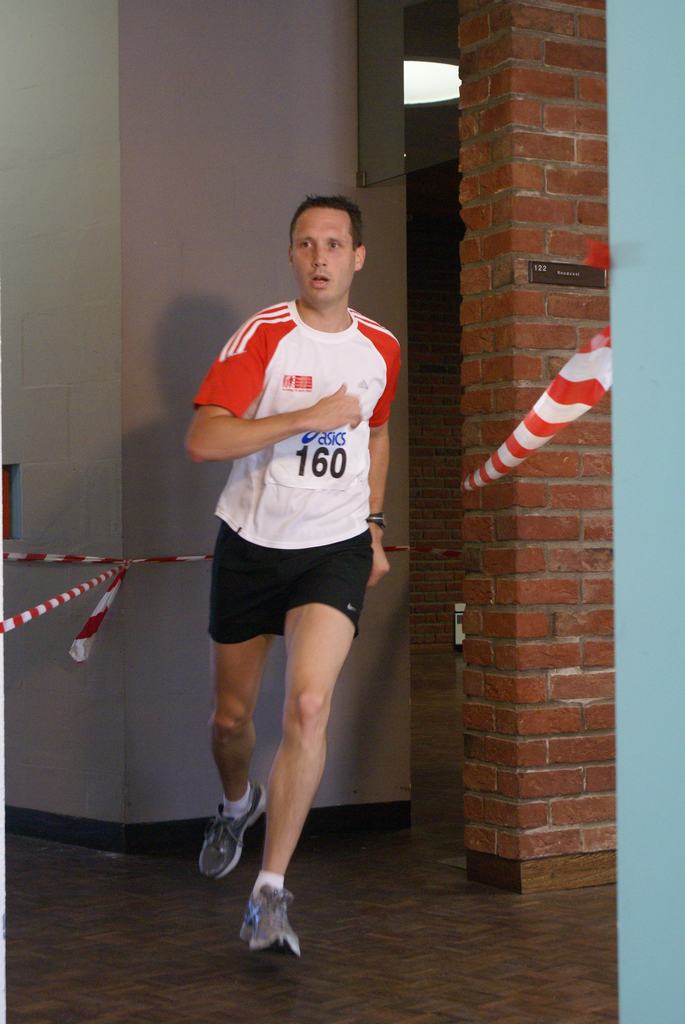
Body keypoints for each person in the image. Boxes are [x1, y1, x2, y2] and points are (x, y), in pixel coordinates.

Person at [185, 194, 401, 957]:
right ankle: (234, 804)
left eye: (334, 244)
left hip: (332, 548)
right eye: (306, 244)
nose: (320, 257)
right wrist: (303, 417)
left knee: (309, 706)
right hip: (252, 543)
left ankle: (269, 892)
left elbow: (375, 434)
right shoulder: (264, 336)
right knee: (230, 721)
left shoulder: (381, 347)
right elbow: (204, 439)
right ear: (291, 255)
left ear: (357, 257)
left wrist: (373, 524)